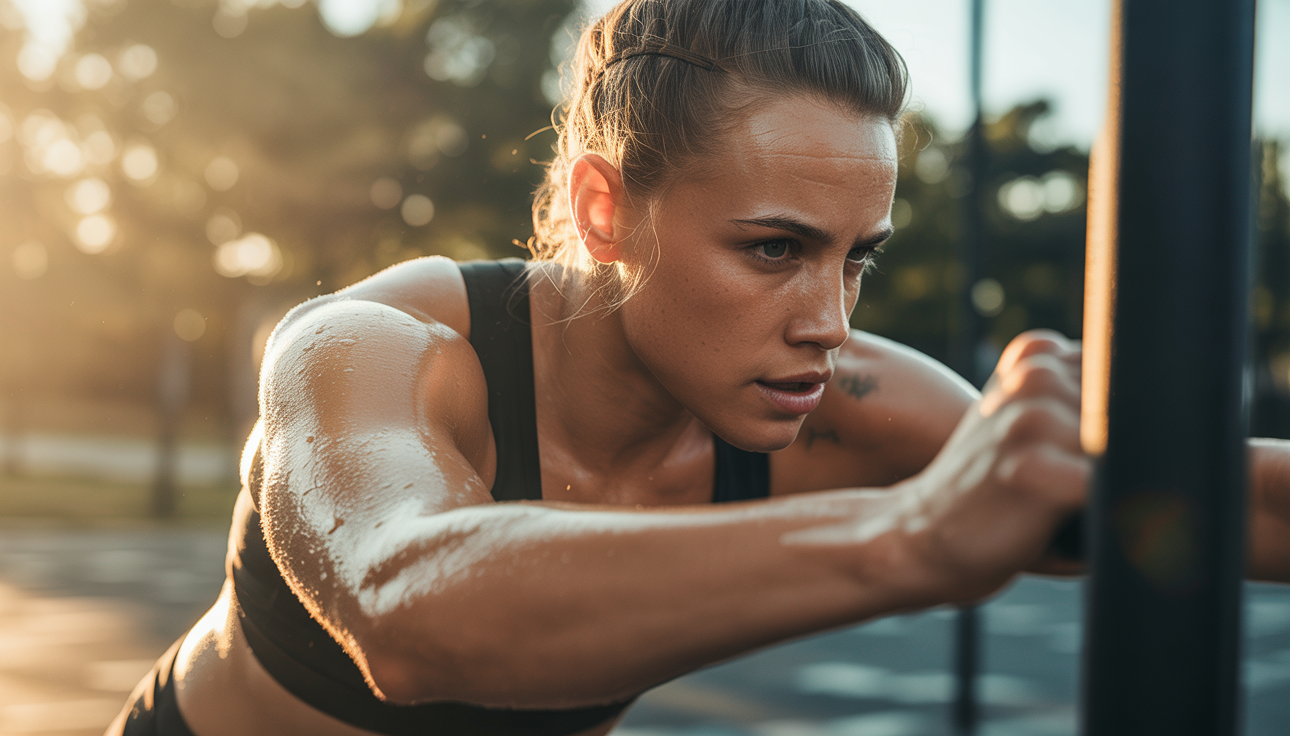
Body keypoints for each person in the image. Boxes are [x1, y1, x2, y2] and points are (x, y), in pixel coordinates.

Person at [108, 1, 1290, 734]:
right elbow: (408, 613)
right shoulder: (374, 347)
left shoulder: (836, 405)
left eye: (856, 258)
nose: (828, 321)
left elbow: (1210, 498)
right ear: (604, 207)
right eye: (773, 249)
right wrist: (911, 537)